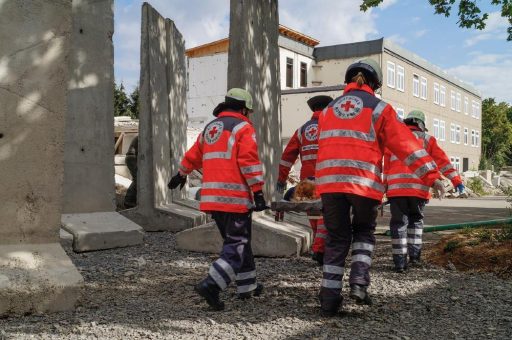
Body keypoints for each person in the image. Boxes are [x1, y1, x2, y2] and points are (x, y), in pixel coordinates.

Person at [315, 58, 446, 316]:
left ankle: (329, 300)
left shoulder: (328, 110)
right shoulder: (379, 108)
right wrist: (432, 176)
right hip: (363, 184)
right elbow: (406, 146)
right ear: (375, 83)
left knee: (336, 239)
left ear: (348, 80)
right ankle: (359, 285)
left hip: (329, 184)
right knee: (363, 233)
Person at [168, 88, 268, 311]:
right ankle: (212, 284)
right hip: (234, 198)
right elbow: (248, 161)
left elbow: (193, 154)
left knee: (237, 241)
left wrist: (181, 174)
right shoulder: (243, 127)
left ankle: (247, 286)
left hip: (212, 198)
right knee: (238, 244)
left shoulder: (211, 128)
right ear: (243, 108)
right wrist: (258, 192)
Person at [384, 110, 464, 272]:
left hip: (396, 190)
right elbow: (443, 162)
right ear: (421, 125)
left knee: (399, 224)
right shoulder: (427, 140)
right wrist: (457, 181)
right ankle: (414, 258)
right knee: (416, 223)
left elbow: (386, 167)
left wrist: (386, 186)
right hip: (419, 190)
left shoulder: (394, 139)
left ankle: (399, 263)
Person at [276, 95, 333, 265]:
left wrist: (281, 179)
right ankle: (320, 250)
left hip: (306, 181)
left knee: (314, 215)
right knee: (326, 216)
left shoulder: (301, 130)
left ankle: (318, 246)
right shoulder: (331, 126)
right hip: (327, 178)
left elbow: (287, 156)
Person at [124, 136, 138, 209]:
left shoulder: (138, 137)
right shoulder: (141, 137)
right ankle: (128, 202)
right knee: (138, 180)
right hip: (132, 158)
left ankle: (130, 201)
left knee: (137, 179)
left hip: (132, 158)